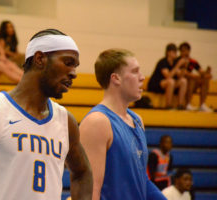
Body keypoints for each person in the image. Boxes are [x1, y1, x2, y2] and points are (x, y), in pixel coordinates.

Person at [0, 29, 93, 200]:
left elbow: (83, 173)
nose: (73, 73)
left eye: (75, 66)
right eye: (68, 62)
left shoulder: (66, 120)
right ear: (40, 59)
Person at [79, 49, 166, 200]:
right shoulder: (97, 122)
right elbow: (91, 191)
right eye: (135, 72)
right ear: (116, 78)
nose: (142, 77)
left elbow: (142, 181)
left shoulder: (137, 120)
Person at [147, 43, 187, 109]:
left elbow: (180, 76)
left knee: (183, 81)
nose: (175, 54)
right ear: (168, 52)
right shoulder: (163, 62)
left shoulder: (174, 62)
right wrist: (178, 65)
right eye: (174, 52)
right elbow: (168, 76)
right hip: (157, 84)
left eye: (176, 52)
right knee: (171, 81)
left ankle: (180, 105)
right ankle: (168, 105)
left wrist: (184, 66)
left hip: (167, 84)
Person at [176, 42, 212, 112]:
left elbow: (201, 71)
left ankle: (202, 104)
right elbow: (185, 74)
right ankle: (188, 104)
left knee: (205, 80)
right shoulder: (178, 61)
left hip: (191, 84)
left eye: (185, 50)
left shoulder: (193, 61)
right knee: (191, 79)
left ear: (189, 51)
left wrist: (207, 73)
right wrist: (196, 76)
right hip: (181, 84)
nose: (184, 53)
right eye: (182, 51)